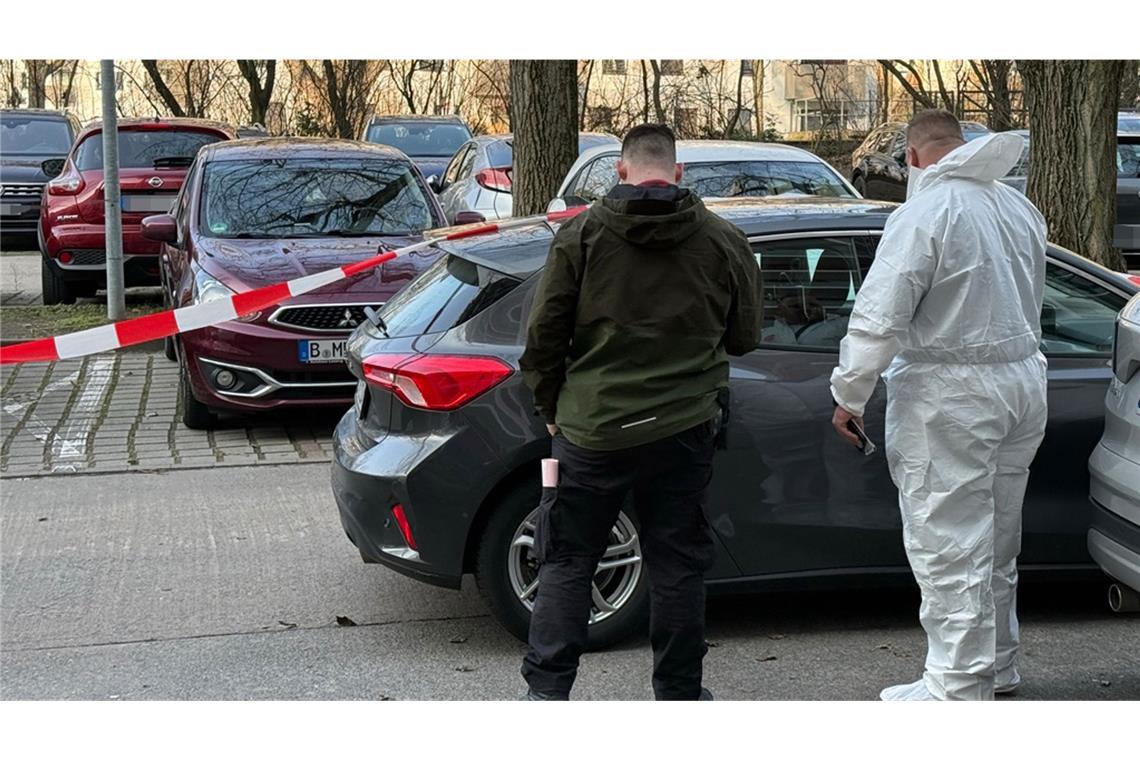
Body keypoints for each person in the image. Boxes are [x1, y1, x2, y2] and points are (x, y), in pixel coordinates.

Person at [518, 123, 762, 700]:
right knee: (677, 565)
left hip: (592, 431)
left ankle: (546, 695)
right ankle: (679, 697)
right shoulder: (723, 240)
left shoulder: (580, 239)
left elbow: (543, 337)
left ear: (620, 171)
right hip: (683, 430)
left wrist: (550, 408)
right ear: (678, 173)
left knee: (569, 560)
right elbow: (746, 336)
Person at [829, 109, 1049, 701]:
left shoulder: (926, 212)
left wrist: (850, 393)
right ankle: (996, 665)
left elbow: (879, 315)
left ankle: (956, 687)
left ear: (916, 157)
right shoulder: (1016, 207)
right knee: (998, 538)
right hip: (1021, 383)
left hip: (951, 392)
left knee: (949, 539)